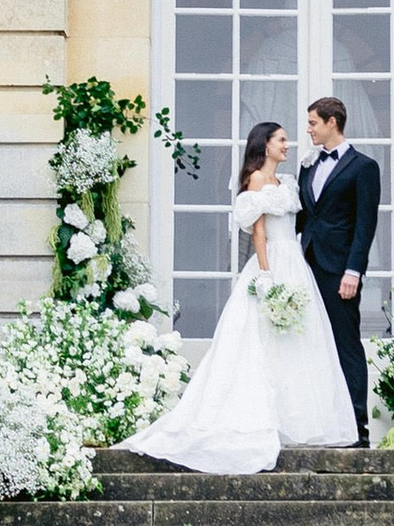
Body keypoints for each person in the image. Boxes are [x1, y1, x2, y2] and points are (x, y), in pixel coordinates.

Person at [128, 121, 359, 474]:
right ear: (264, 145)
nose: (287, 145)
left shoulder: (290, 182)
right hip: (272, 264)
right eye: (281, 140)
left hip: (295, 263)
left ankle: (294, 421)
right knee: (260, 342)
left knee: (298, 343)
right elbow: (259, 233)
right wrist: (266, 276)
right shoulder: (256, 181)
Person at [298, 96, 381, 447]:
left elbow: (366, 224)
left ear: (333, 122)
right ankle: (321, 424)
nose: (309, 129)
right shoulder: (308, 165)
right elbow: (305, 216)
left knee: (346, 345)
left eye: (314, 122)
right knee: (310, 346)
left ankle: (357, 429)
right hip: (306, 264)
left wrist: (354, 271)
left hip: (339, 270)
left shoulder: (363, 167)